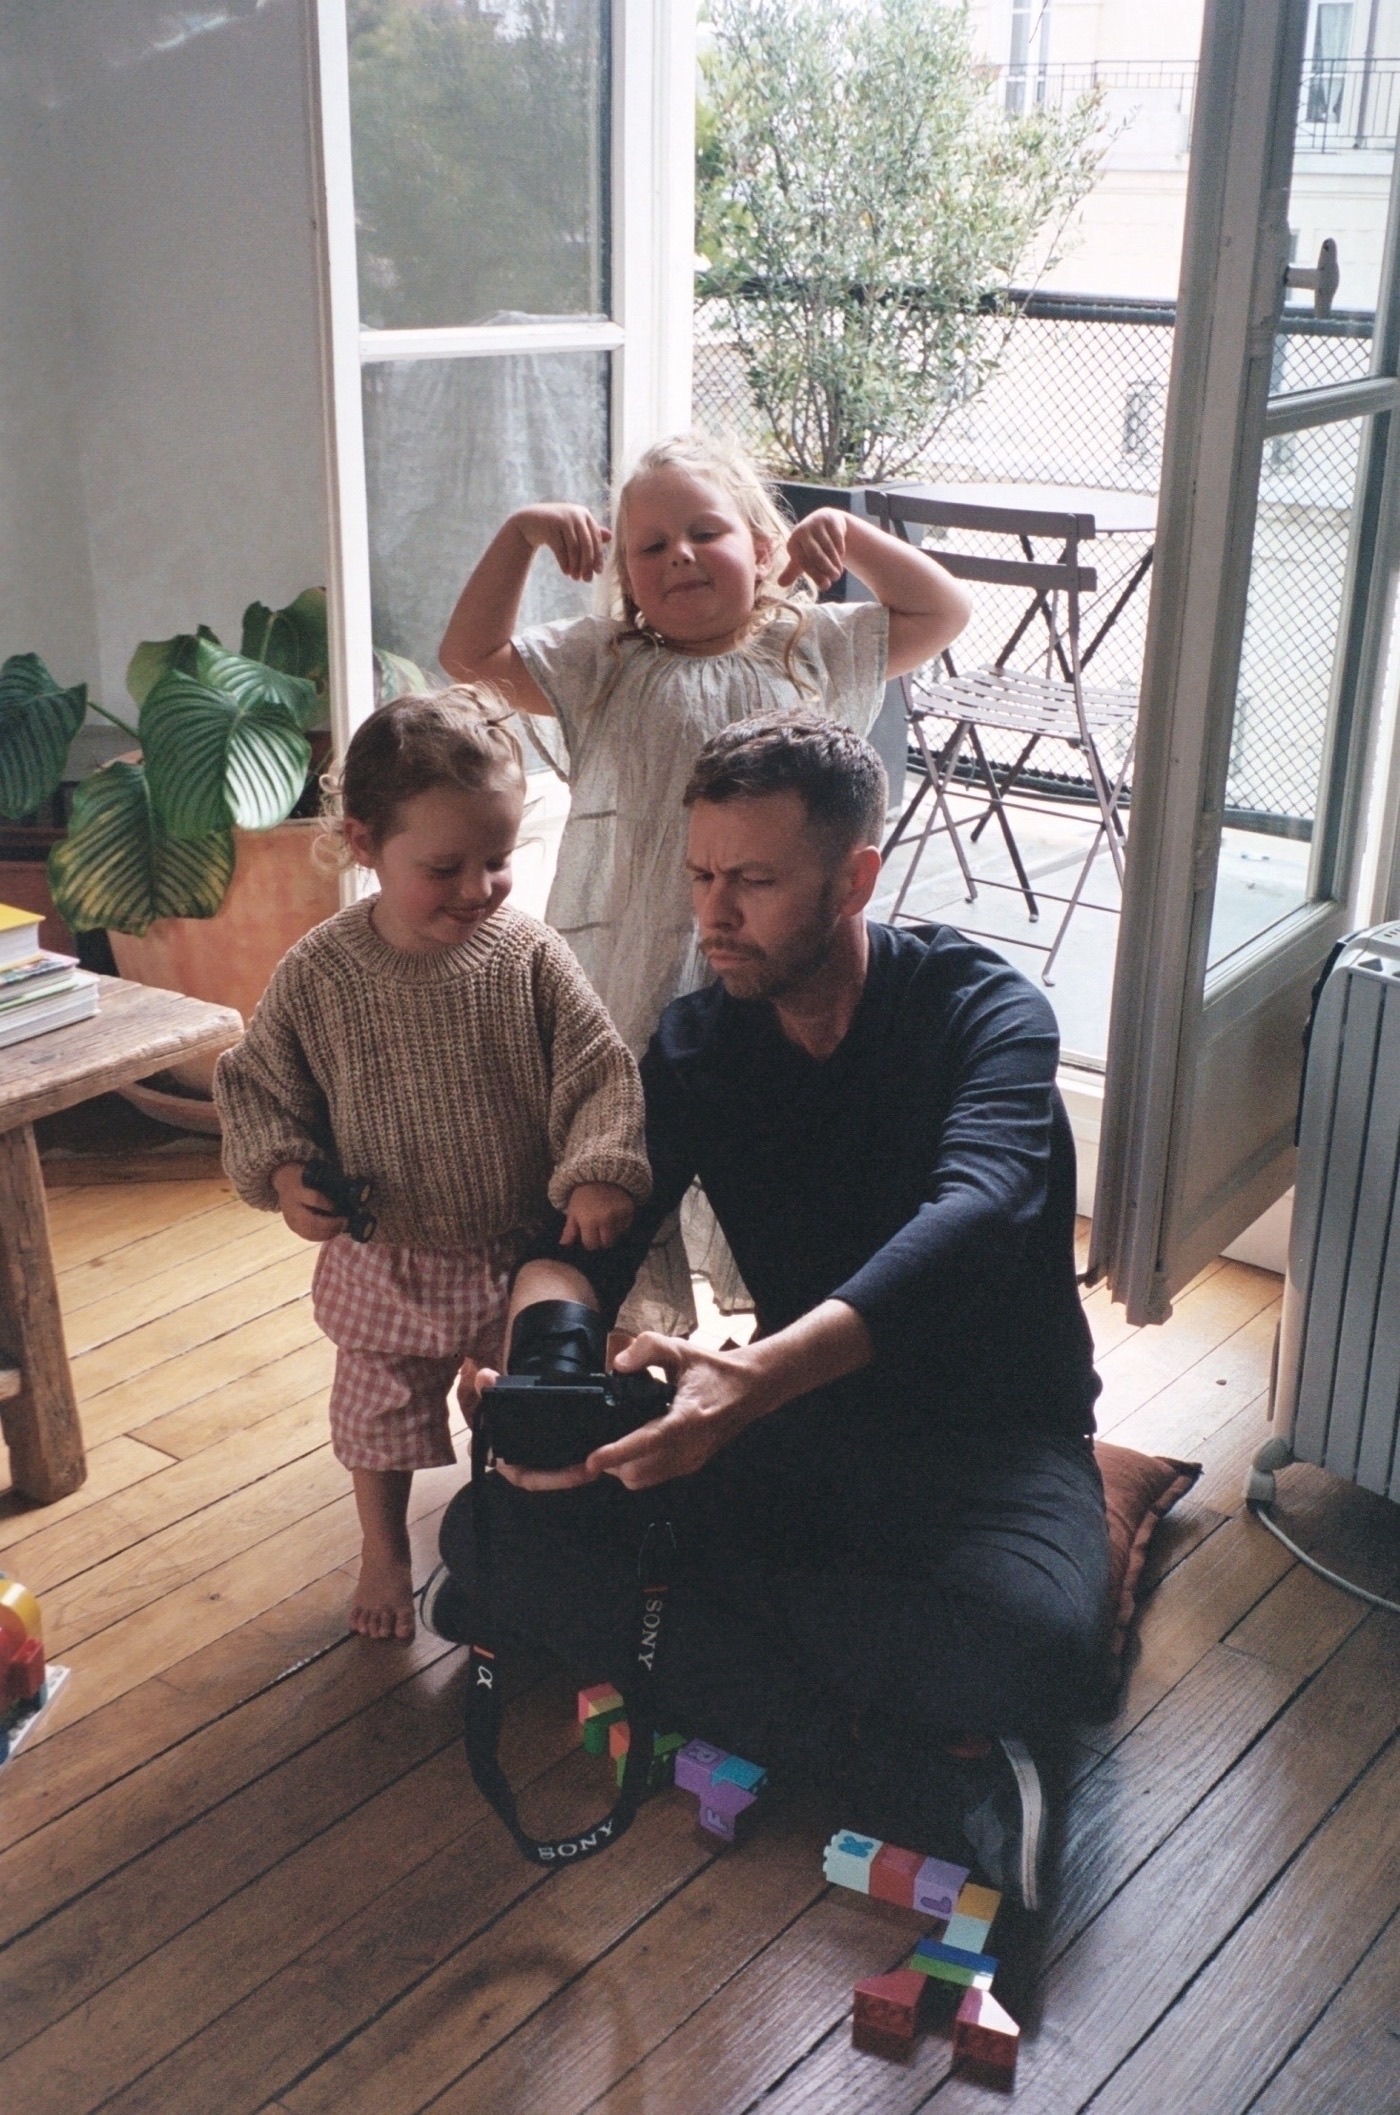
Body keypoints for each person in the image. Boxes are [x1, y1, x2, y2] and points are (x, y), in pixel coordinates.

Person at [424, 713, 1111, 1908]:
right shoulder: (699, 1043)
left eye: (751, 880)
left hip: (986, 1444)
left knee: (1027, 1648)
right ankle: (916, 1769)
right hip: (788, 1429)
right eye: (699, 875)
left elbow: (979, 1206)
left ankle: (697, 1643)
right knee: (482, 1533)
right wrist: (543, 1363)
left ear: (855, 878)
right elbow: (575, 1248)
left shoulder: (984, 1014)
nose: (713, 913)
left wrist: (752, 1383)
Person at [439, 434, 972, 1331]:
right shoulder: (602, 663)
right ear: (624, 575)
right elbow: (469, 654)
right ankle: (613, 1349)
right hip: (632, 968)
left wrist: (851, 530)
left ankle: (794, 1331)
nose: (677, 553)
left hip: (778, 965)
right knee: (624, 1164)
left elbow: (944, 611)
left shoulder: (813, 644)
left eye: (704, 531)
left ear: (765, 548)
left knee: (778, 1157)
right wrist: (524, 534)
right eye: (647, 546)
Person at [213, 691, 651, 1644]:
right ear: (364, 841)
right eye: (444, 867)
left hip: (517, 1248)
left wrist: (599, 1164)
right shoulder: (320, 971)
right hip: (388, 1249)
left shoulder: (527, 954)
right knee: (377, 1411)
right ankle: (385, 1547)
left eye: (496, 860)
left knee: (543, 1393)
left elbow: (598, 1065)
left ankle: (522, 1516)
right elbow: (258, 1086)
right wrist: (287, 1177)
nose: (477, 887)